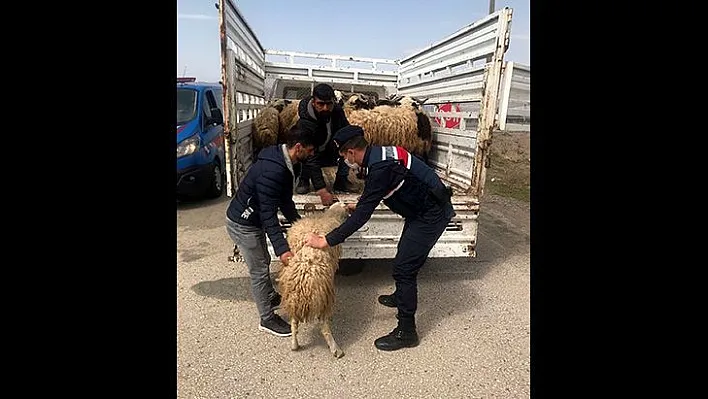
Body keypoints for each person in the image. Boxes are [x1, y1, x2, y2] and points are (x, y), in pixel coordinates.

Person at [304, 125, 456, 351]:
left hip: (430, 215)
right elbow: (387, 187)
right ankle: (401, 295)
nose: (345, 161)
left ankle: (407, 331)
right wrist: (363, 202)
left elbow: (362, 217)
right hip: (421, 210)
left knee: (404, 268)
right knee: (404, 257)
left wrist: (326, 240)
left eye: (344, 156)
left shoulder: (380, 167)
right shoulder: (380, 155)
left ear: (351, 152)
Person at [225, 124, 317, 337]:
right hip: (243, 223)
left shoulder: (284, 162)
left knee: (263, 260)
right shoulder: (273, 170)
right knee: (258, 270)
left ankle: (269, 295)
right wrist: (283, 249)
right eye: (310, 150)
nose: (312, 154)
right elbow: (269, 216)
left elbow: (284, 200)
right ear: (299, 147)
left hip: (253, 219)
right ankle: (266, 318)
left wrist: (299, 225)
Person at [295, 83, 352, 204]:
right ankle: (304, 179)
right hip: (311, 153)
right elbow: (311, 157)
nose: (325, 108)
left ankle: (341, 180)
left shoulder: (337, 111)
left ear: (333, 102)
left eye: (329, 104)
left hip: (329, 149)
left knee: (350, 143)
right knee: (304, 152)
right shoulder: (304, 123)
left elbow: (346, 130)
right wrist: (321, 189)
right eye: (321, 104)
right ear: (313, 102)